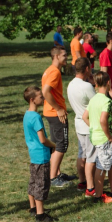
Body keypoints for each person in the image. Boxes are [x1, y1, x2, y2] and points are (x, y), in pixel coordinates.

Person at [85, 71, 112, 203]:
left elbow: (84, 117)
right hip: (103, 139)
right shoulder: (106, 101)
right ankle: (99, 196)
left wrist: (94, 127)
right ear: (109, 83)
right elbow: (104, 120)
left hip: (97, 136)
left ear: (96, 84)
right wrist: (109, 136)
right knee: (102, 166)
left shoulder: (94, 98)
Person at [42, 46, 75, 188]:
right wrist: (58, 109)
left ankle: (56, 173)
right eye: (64, 55)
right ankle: (53, 177)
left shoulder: (50, 70)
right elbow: (45, 91)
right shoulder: (54, 72)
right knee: (61, 145)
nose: (66, 57)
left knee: (55, 144)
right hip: (55, 114)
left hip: (50, 112)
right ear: (56, 56)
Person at [23, 86, 57, 222]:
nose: (43, 98)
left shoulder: (27, 114)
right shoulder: (36, 117)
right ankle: (40, 214)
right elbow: (42, 139)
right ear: (32, 100)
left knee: (33, 181)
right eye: (40, 97)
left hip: (33, 155)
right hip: (41, 155)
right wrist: (53, 145)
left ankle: (33, 208)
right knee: (41, 184)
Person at [67, 56, 98, 195]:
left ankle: (82, 181)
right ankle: (91, 187)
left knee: (82, 154)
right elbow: (97, 102)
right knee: (91, 157)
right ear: (87, 69)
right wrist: (94, 85)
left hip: (79, 123)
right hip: (88, 124)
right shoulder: (86, 86)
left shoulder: (71, 84)